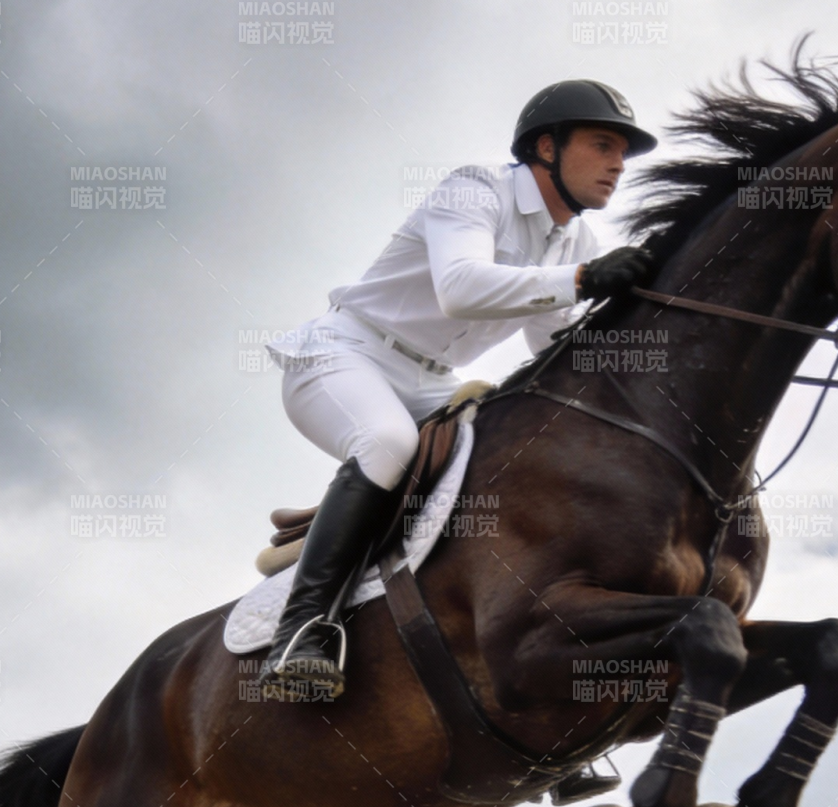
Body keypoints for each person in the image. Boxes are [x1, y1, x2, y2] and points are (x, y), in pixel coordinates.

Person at [262, 79, 660, 704]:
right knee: (388, 443)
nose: (617, 165)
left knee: (513, 457)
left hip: (430, 381)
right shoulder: (477, 188)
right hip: (344, 354)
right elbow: (461, 287)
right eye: (604, 144)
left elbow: (555, 345)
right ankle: (300, 631)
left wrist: (645, 317)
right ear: (546, 148)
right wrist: (584, 279)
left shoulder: (575, 240)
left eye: (623, 154)